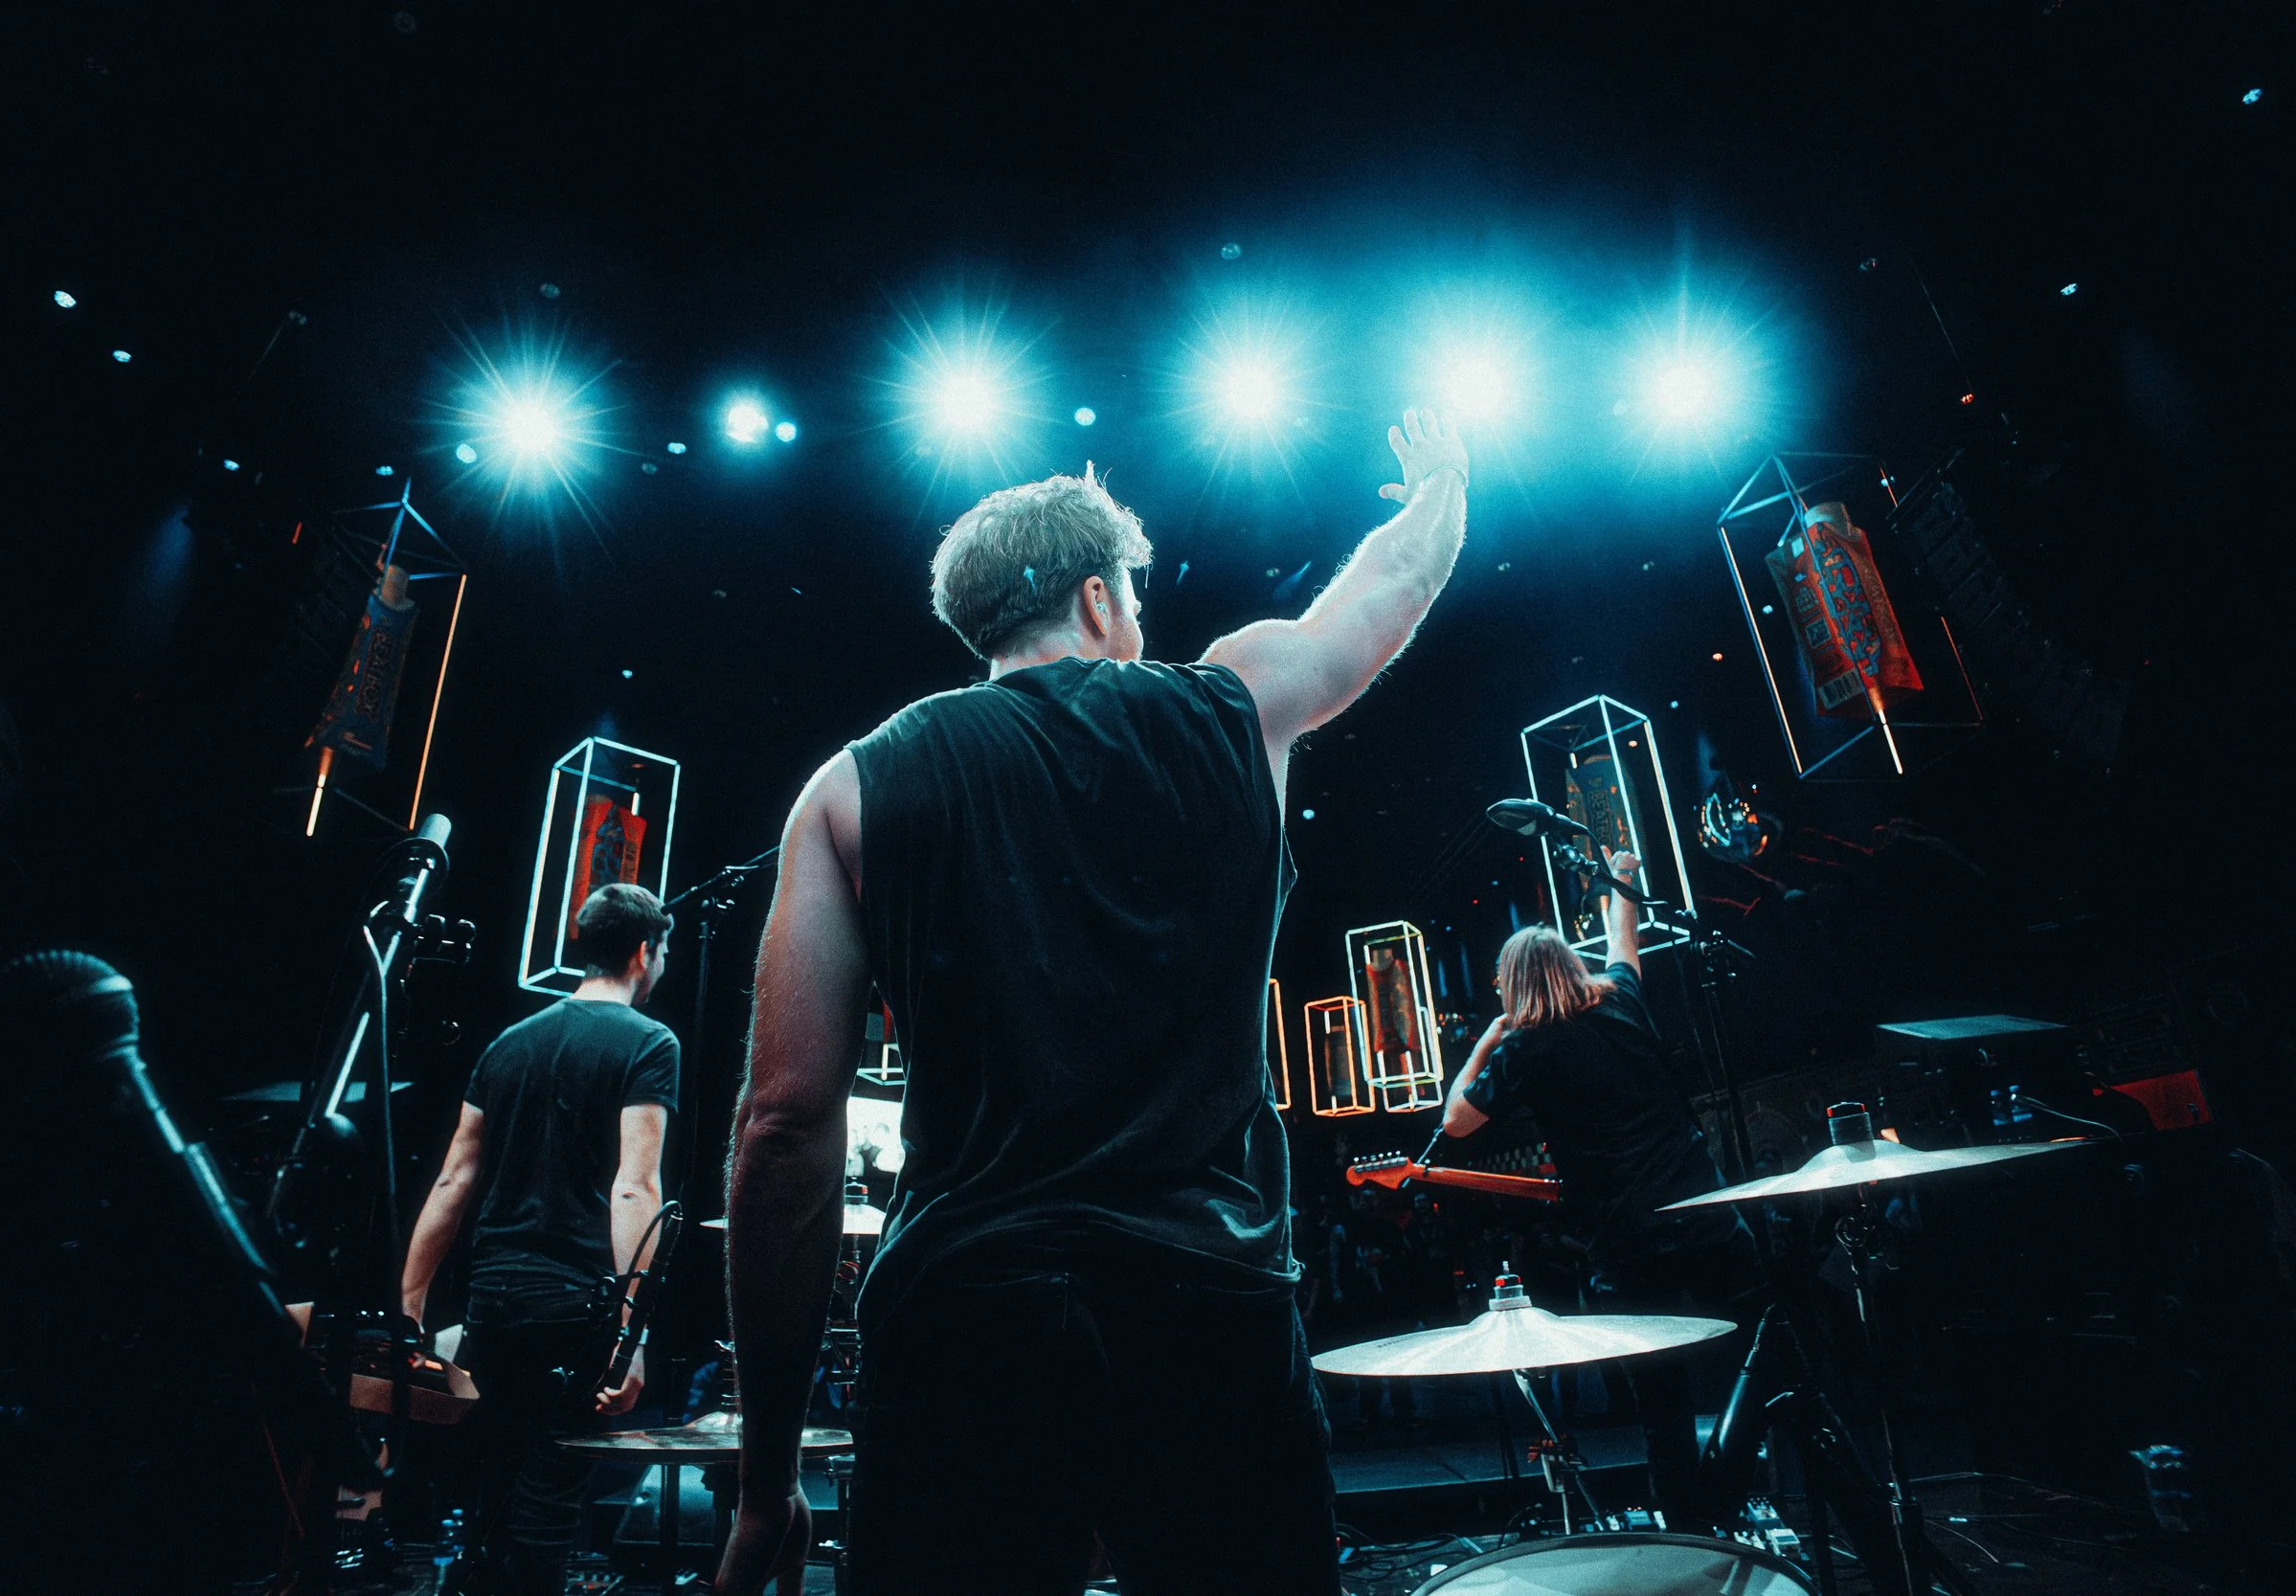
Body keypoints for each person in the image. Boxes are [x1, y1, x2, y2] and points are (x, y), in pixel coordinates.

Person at [717, 414, 1470, 1596]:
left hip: (966, 1320)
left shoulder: (850, 785)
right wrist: (1440, 485)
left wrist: (767, 1479)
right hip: (1208, 1314)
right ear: (1098, 598)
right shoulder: (1234, 702)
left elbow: (784, 1127)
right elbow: (1388, 587)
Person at [1440, 850, 1760, 1528]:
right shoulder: (1623, 997)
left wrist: (1490, 1037)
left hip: (1628, 1239)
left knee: (1661, 1409)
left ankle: (1690, 1535)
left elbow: (1455, 1119)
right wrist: (1625, 876)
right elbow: (1624, 937)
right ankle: (1741, 1474)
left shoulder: (1524, 1044)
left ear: (1515, 985)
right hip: (1703, 1212)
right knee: (1770, 1349)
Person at [399, 882, 680, 1595]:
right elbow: (633, 1187)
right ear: (646, 952)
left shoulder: (509, 1042)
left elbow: (452, 1181)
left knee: (494, 1496)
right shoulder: (651, 1042)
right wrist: (632, 1331)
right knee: (549, 1504)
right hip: (574, 1307)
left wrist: (408, 1310)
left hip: (493, 1296)